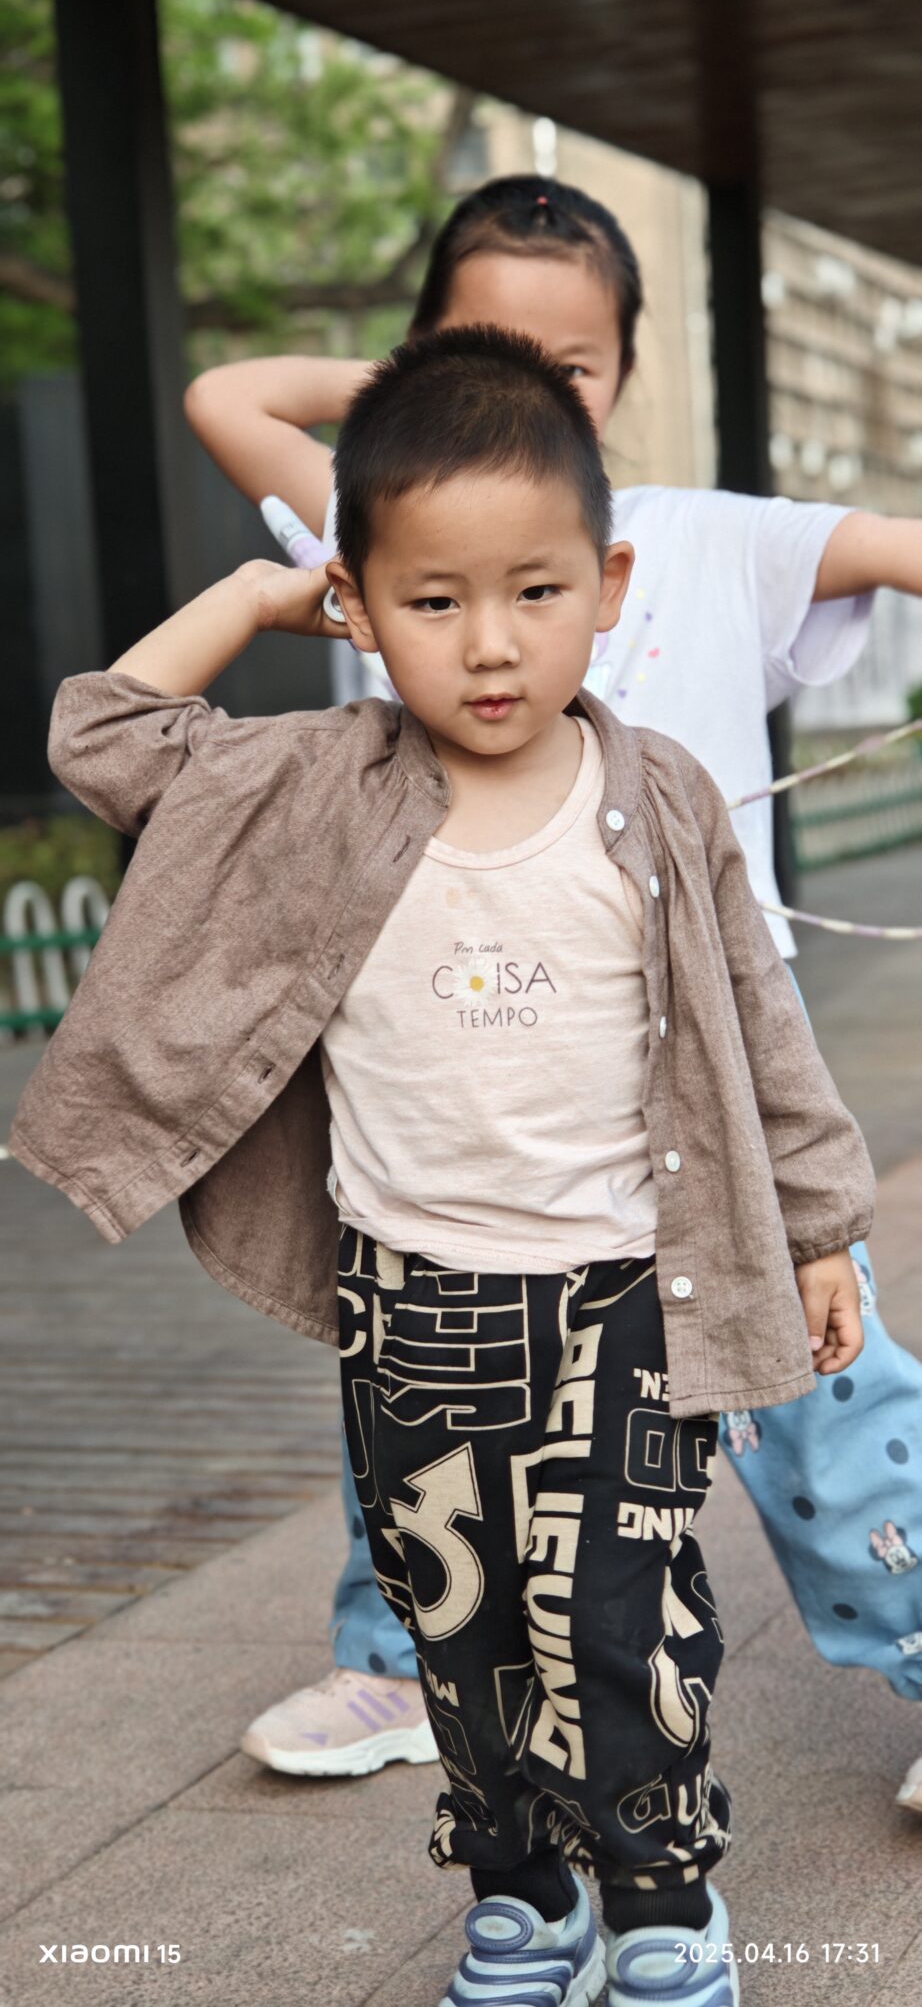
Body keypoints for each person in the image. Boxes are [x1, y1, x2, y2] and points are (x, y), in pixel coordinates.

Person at [11, 326, 874, 2006]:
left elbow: (756, 1022)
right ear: (358, 603)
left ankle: (662, 1901)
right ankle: (523, 1894)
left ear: (606, 587)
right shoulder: (311, 782)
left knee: (620, 1616)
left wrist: (822, 1225)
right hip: (408, 1299)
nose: (488, 644)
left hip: (623, 1293)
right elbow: (104, 737)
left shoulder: (661, 794)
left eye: (534, 592)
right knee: (457, 1633)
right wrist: (258, 598)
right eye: (430, 600)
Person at [185, 175, 922, 1807]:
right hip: (448, 1049)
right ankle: (399, 1661)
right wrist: (434, 393)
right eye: (483, 343)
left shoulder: (710, 537)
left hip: (699, 1057)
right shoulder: (389, 507)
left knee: (812, 1377)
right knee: (418, 1362)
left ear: (626, 373)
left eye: (568, 363)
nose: (529, 378)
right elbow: (222, 394)